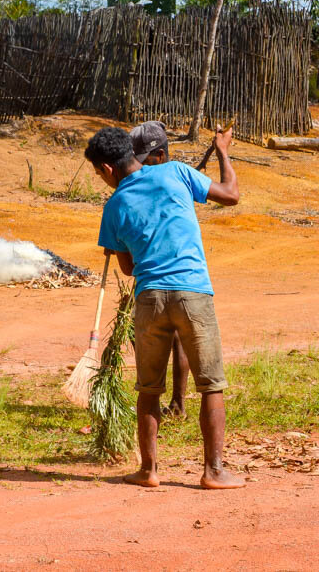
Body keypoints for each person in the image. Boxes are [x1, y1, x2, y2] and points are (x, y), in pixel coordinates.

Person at [85, 125, 244, 489]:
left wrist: (121, 242)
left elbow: (127, 268)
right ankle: (214, 471)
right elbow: (231, 195)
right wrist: (222, 150)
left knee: (148, 389)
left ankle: (149, 470)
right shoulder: (176, 172)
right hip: (193, 293)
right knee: (211, 385)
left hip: (150, 299)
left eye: (98, 174)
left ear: (107, 170)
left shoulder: (113, 206)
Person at [128, 121, 188, 419]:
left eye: (144, 159)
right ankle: (161, 399)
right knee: (152, 333)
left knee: (176, 336)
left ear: (161, 155)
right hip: (152, 269)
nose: (139, 166)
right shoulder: (160, 178)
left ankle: (176, 402)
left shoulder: (171, 176)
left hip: (170, 269)